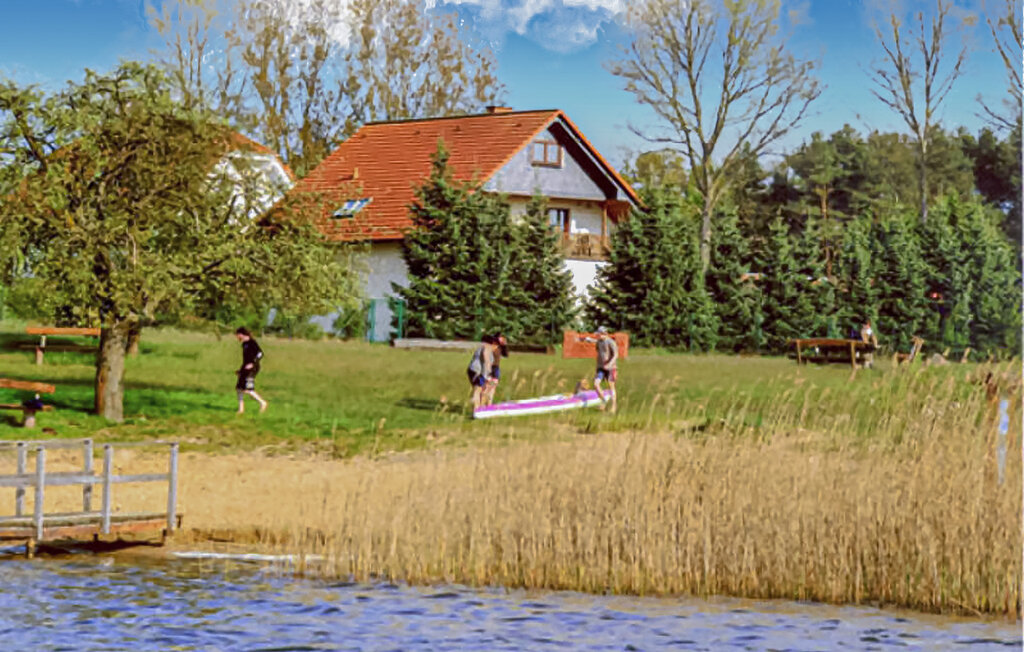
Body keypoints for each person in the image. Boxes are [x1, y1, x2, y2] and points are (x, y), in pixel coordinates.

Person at [235, 327, 268, 414]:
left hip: (253, 369)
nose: (237, 337)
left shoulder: (252, 343)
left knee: (248, 389)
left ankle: (263, 403)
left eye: (237, 335)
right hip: (245, 368)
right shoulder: (244, 344)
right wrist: (241, 370)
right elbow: (245, 359)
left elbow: (260, 354)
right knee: (239, 389)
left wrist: (253, 363)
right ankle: (241, 409)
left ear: (242, 334)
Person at [586, 326, 618, 412]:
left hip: (611, 368)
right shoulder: (599, 342)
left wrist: (609, 364)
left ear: (604, 334)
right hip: (601, 367)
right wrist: (590, 340)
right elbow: (597, 344)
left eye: (599, 334)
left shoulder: (611, 342)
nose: (597, 336)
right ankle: (603, 400)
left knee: (611, 386)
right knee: (596, 384)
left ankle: (614, 406)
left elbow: (615, 355)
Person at [467, 335, 498, 411]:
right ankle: (477, 410)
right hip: (477, 371)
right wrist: (488, 375)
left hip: (473, 370)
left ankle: (479, 407)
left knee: (480, 389)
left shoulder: (482, 347)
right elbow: (486, 359)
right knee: (478, 390)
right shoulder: (487, 347)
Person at [482, 333, 508, 407]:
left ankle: (489, 404)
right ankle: (482, 404)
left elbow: (506, 355)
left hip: (496, 368)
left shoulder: (500, 347)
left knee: (493, 387)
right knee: (487, 386)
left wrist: (504, 345)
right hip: (488, 368)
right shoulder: (490, 347)